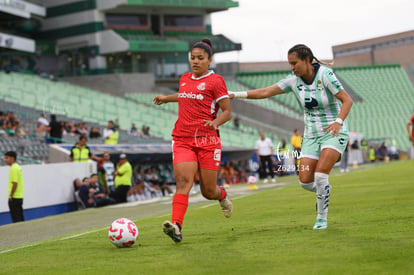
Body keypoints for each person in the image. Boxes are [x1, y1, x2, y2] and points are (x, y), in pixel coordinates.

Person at [229, 44, 353, 230]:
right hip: (311, 136)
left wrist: (338, 121)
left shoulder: (325, 75)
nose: (292, 67)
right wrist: (235, 94)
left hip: (333, 132)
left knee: (320, 176)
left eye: (294, 63)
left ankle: (321, 218)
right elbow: (265, 92)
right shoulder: (292, 81)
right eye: (290, 64)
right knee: (305, 182)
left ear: (306, 60)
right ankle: (324, 189)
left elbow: (347, 100)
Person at [153, 38, 233, 243]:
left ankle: (222, 195)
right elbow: (184, 95)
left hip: (208, 141)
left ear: (209, 60)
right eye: (192, 58)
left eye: (200, 58)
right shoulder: (184, 78)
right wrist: (165, 98)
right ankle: (176, 226)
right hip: (183, 139)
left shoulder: (216, 81)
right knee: (184, 182)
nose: (195, 61)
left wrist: (215, 123)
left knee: (208, 191)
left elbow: (227, 112)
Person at [5, 151, 25, 223]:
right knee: (20, 216)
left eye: (7, 158)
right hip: (19, 196)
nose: (5, 160)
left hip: (15, 197)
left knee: (16, 218)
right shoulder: (17, 167)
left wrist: (11, 195)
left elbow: (15, 183)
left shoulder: (13, 168)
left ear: (12, 158)